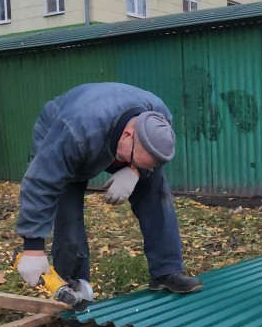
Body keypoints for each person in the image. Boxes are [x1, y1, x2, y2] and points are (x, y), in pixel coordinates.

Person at [15, 83, 202, 304]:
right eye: (133, 160)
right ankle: (73, 289)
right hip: (63, 131)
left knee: (155, 186)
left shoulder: (159, 119)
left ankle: (166, 271)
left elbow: (154, 161)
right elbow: (41, 182)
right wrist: (33, 249)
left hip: (108, 130)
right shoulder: (75, 131)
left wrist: (136, 171)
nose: (132, 164)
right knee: (69, 215)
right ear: (127, 135)